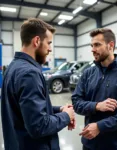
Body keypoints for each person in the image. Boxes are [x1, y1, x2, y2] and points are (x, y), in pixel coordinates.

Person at [1, 18, 75, 150]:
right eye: (49, 43)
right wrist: (66, 116)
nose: (50, 49)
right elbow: (38, 126)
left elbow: (27, 110)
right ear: (36, 41)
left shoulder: (12, 67)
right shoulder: (30, 73)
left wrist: (59, 110)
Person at [72, 28, 117, 150]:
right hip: (90, 143)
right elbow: (76, 102)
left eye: (97, 45)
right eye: (92, 45)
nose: (93, 49)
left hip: (115, 145)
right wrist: (96, 106)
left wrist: (100, 126)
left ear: (110, 46)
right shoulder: (88, 74)